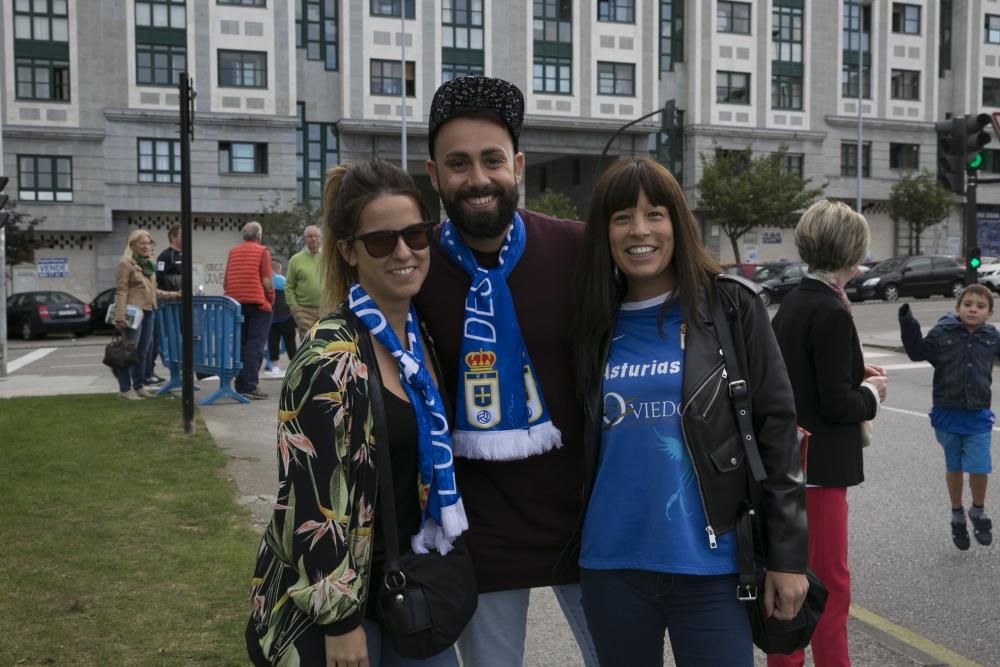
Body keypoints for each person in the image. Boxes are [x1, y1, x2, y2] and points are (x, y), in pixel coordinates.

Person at [570, 157, 808, 666]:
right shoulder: (589, 323)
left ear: (677, 223)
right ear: (604, 234)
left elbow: (777, 431)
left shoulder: (732, 308)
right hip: (612, 567)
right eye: (621, 218)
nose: (640, 231)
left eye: (655, 214)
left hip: (713, 568)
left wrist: (788, 558)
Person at [246, 159, 468, 666]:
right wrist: (340, 623)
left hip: (411, 592)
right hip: (352, 612)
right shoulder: (329, 358)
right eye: (381, 241)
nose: (404, 252)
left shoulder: (420, 336)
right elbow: (307, 499)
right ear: (347, 250)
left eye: (416, 234)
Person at [413, 75, 598, 666]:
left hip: (588, 520)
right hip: (479, 530)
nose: (478, 178)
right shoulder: (413, 269)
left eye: (492, 159)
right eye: (458, 163)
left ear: (517, 165)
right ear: (435, 174)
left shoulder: (579, 250)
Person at [770, 199, 887, 667]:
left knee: (789, 584)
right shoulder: (833, 310)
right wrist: (873, 393)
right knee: (830, 587)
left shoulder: (796, 300)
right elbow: (838, 404)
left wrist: (858, 372)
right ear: (850, 250)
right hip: (818, 471)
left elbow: (800, 377)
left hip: (791, 464)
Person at [899, 284, 995, 550]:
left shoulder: (991, 336)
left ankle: (977, 509)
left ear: (990, 313)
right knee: (954, 466)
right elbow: (918, 352)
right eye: (968, 304)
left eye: (980, 306)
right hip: (947, 413)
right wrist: (908, 321)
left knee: (978, 466)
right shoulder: (943, 332)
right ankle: (956, 514)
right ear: (957, 308)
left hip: (977, 415)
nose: (973, 309)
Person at [113, 229, 179, 400]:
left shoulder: (148, 264)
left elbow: (153, 291)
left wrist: (175, 294)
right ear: (133, 244)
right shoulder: (125, 263)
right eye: (142, 243)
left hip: (149, 310)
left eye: (148, 243)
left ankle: (139, 385)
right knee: (128, 352)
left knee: (143, 352)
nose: (146, 246)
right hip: (133, 313)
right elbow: (121, 291)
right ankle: (125, 389)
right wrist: (119, 316)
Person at [223, 221, 275, 400]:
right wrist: (271, 299)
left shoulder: (233, 252)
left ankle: (240, 384)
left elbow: (226, 281)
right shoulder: (262, 251)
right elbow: (267, 280)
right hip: (258, 304)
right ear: (259, 236)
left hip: (236, 303)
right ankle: (251, 385)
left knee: (241, 344)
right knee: (256, 344)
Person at [148, 223, 183, 385]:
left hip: (181, 304)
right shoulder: (165, 257)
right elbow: (160, 280)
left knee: (186, 337)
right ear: (174, 237)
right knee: (160, 339)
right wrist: (172, 293)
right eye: (182, 235)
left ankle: (187, 370)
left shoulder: (185, 254)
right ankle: (148, 371)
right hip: (167, 304)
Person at [286, 224, 323, 338]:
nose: (313, 239)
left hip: (327, 309)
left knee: (327, 346)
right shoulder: (296, 260)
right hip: (304, 311)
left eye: (316, 236)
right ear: (305, 239)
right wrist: (295, 310)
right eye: (309, 236)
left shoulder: (329, 258)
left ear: (320, 238)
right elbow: (289, 287)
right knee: (309, 346)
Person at [266, 259, 297, 378]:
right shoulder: (283, 280)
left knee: (272, 342)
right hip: (286, 316)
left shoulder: (267, 281)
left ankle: (275, 366)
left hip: (271, 317)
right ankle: (294, 364)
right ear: (278, 269)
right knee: (290, 342)